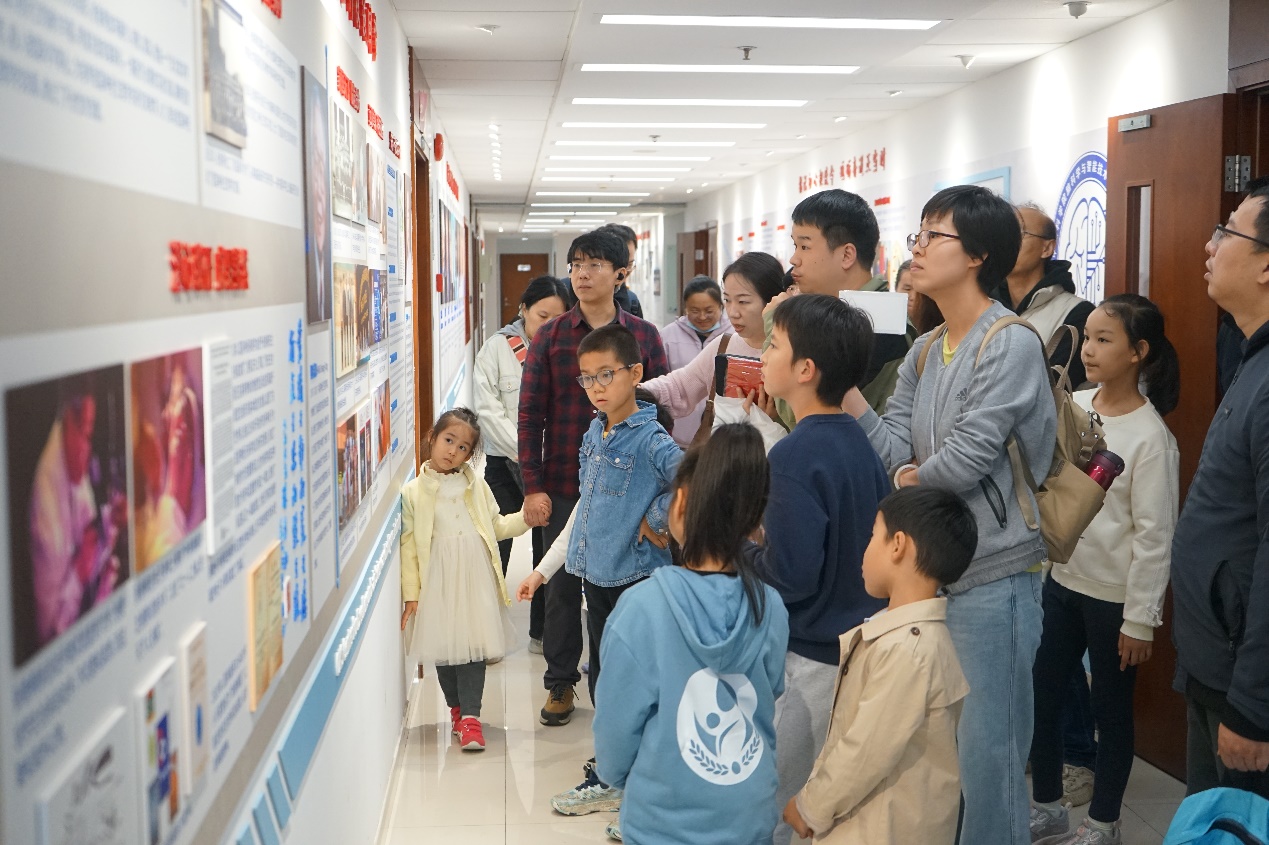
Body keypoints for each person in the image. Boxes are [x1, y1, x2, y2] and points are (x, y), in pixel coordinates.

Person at [843, 185, 1056, 845]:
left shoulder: (1008, 343)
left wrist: (910, 475)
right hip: (937, 576)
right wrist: (847, 397)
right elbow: (892, 450)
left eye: (934, 236)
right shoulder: (925, 347)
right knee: (944, 757)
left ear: (977, 255)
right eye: (919, 234)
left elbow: (965, 460)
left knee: (990, 759)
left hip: (996, 577)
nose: (917, 249)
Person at [1030, 294, 1181, 845]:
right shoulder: (1073, 404)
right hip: (1060, 582)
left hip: (1114, 598)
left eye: (1103, 340)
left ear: (1138, 352)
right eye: (1087, 338)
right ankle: (1048, 807)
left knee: (1110, 712)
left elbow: (1154, 537)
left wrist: (1140, 619)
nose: (1089, 350)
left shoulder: (1152, 438)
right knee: (1042, 698)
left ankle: (1103, 823)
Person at [592, 424, 789, 845]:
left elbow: (615, 728)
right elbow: (767, 694)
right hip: (749, 815)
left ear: (679, 504)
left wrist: (620, 777)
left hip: (664, 820)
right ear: (754, 519)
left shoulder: (642, 607)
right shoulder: (769, 605)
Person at [516, 325, 683, 819]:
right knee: (607, 682)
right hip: (598, 580)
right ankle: (617, 772)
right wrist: (543, 570)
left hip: (638, 582)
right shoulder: (596, 432)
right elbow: (583, 510)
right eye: (586, 378)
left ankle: (630, 782)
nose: (596, 387)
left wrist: (658, 518)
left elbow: (695, 481)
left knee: (635, 684)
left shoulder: (651, 439)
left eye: (606, 374)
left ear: (636, 373)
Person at [744, 294, 890, 845]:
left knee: (780, 806)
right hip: (856, 649)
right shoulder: (858, 440)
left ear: (805, 369)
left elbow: (792, 576)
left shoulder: (794, 455)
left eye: (773, 345)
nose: (762, 355)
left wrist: (739, 551)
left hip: (810, 657)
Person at [518, 228, 669, 728]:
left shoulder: (643, 336)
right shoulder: (551, 335)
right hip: (567, 480)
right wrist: (533, 486)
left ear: (620, 273)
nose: (582, 274)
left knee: (620, 596)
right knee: (562, 589)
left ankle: (619, 695)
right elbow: (530, 413)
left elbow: (662, 412)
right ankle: (561, 683)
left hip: (630, 488)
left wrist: (656, 505)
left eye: (594, 265)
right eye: (576, 265)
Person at [783, 486, 977, 845]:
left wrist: (811, 806)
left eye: (874, 535)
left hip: (881, 829)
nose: (866, 548)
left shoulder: (908, 649)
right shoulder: (905, 635)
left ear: (898, 545)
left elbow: (866, 750)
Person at [1171, 183, 1269, 798]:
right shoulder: (1251, 356)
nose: (1209, 246)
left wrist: (1255, 704)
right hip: (1217, 664)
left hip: (1244, 686)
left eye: (1226, 232)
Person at [399, 408, 535, 752]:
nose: (453, 451)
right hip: (438, 580)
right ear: (432, 437)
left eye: (463, 448)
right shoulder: (413, 492)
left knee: (474, 643)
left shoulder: (475, 485)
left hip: (474, 577)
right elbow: (409, 547)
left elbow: (497, 525)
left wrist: (525, 519)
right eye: (448, 440)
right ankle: (457, 711)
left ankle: (472, 717)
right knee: (445, 646)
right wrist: (412, 594)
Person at [473, 275, 568, 651]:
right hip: (505, 462)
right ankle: (487, 633)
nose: (548, 325)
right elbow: (488, 410)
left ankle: (542, 633)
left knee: (548, 548)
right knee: (497, 544)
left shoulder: (568, 349)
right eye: (542, 316)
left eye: (557, 318)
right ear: (523, 309)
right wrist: (527, 452)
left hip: (554, 465)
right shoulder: (496, 348)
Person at [769, 189, 911, 418]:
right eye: (795, 246)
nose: (794, 259)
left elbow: (811, 417)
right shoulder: (845, 316)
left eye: (804, 247)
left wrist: (775, 322)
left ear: (846, 255)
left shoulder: (879, 326)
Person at [643, 254, 789, 445]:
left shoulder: (794, 350)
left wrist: (777, 419)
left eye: (743, 302)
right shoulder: (725, 345)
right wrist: (633, 393)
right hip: (725, 457)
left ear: (772, 300)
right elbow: (679, 387)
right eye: (727, 300)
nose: (733, 312)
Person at [30, 380, 125, 645]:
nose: (88, 448)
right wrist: (80, 572)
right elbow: (49, 633)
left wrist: (110, 521)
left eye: (90, 433)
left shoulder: (73, 459)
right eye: (85, 433)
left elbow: (90, 531)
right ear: (68, 421)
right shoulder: (45, 513)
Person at [994, 203, 1097, 387]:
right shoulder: (985, 305)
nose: (1006, 242)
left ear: (1047, 248)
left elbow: (1053, 386)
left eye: (1018, 233)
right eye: (1002, 233)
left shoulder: (1077, 313)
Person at [659, 275, 731, 444]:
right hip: (678, 438)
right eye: (695, 311)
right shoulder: (667, 336)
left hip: (724, 436)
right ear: (685, 308)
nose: (702, 317)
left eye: (709, 311)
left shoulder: (734, 335)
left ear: (721, 306)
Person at [896, 258, 943, 336]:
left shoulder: (941, 332)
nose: (913, 297)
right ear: (896, 288)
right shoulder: (887, 327)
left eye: (920, 291)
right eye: (907, 289)